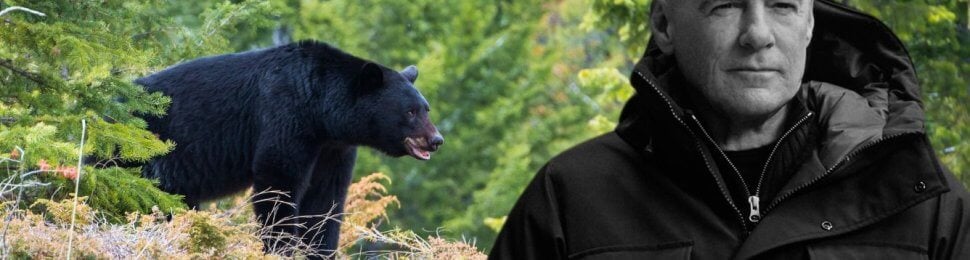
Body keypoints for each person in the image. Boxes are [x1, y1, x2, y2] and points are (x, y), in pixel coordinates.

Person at [490, 0, 970, 259]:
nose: (757, 33)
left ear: (808, 25)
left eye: (782, 5)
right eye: (726, 5)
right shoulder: (571, 199)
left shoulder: (919, 196)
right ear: (664, 24)